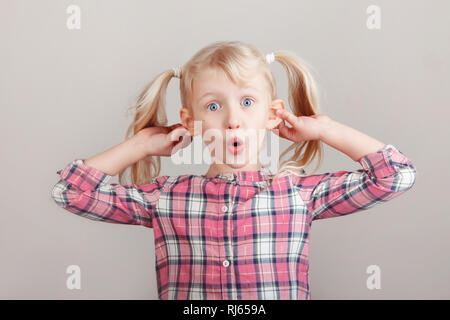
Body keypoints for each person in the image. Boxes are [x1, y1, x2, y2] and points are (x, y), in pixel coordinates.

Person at [51, 40, 417, 300]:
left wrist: (323, 128)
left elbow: (395, 174)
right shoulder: (167, 197)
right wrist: (143, 144)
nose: (233, 121)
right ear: (190, 121)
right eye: (213, 106)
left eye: (246, 102)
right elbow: (71, 192)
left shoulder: (297, 194)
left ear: (272, 115)